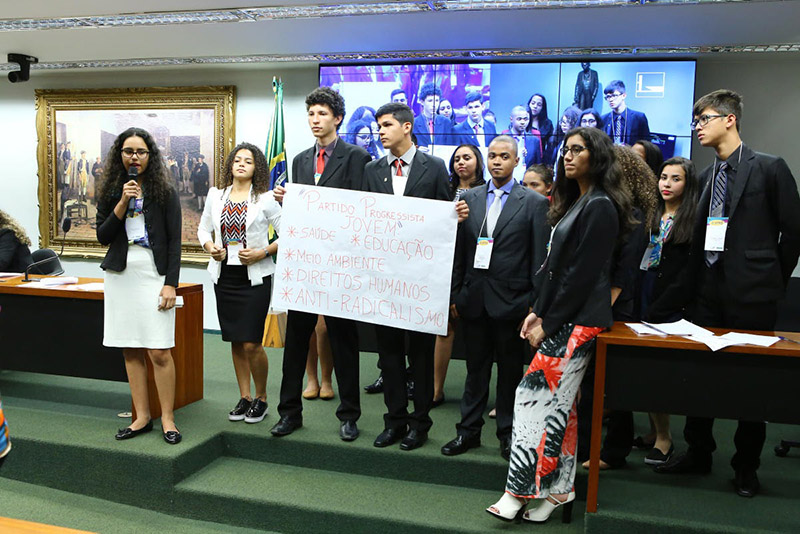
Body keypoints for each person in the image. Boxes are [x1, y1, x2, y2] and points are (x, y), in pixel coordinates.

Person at [655, 89, 800, 499]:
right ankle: (698, 452)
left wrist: (771, 278)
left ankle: (745, 466)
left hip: (753, 295)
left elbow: (793, 231)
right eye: (695, 121)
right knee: (700, 377)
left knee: (751, 384)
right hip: (706, 293)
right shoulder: (705, 177)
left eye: (704, 119)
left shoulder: (769, 168)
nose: (698, 127)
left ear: (729, 119)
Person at [486, 127, 633, 523]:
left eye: (578, 150)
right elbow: (556, 267)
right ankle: (560, 492)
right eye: (566, 149)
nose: (568, 156)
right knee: (561, 410)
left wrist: (547, 323)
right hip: (565, 316)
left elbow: (581, 276)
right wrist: (538, 310)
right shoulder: (579, 200)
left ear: (596, 156)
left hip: (579, 321)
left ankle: (517, 493)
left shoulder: (600, 205)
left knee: (530, 398)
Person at [365, 102, 468, 451]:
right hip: (384, 279)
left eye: (387, 125)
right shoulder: (372, 169)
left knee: (421, 355)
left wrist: (455, 216)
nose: (381, 131)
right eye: (379, 126)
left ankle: (419, 423)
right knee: (389, 355)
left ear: (407, 127)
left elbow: (444, 223)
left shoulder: (434, 167)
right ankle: (394, 421)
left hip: (422, 280)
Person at [270, 87, 371, 442]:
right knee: (297, 341)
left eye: (322, 114)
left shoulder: (357, 157)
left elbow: (364, 208)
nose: (315, 120)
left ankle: (349, 415)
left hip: (341, 265)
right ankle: (289, 413)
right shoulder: (300, 160)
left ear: (337, 118)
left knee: (344, 341)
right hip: (306, 265)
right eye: (311, 114)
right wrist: (286, 200)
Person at [442, 135, 549, 461]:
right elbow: (459, 251)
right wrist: (456, 293)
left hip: (513, 302)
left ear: (516, 161)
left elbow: (539, 259)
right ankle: (468, 432)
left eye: (504, 156)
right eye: (492, 156)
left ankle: (507, 434)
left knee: (509, 374)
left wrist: (534, 305)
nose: (497, 161)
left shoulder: (533, 202)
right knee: (474, 371)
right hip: (473, 298)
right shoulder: (469, 198)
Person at [96, 127, 183, 445]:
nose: (134, 157)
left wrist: (171, 284)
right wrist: (122, 201)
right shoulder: (111, 190)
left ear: (150, 155)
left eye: (141, 152)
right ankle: (142, 417)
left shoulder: (165, 191)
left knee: (159, 350)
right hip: (121, 274)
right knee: (130, 347)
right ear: (120, 154)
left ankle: (168, 418)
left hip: (154, 273)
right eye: (128, 151)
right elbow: (103, 236)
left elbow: (175, 242)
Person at [577, 144, 660, 470]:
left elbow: (623, 276)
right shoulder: (601, 206)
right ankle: (588, 450)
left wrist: (598, 313)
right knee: (591, 384)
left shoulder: (633, 216)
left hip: (615, 311)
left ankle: (611, 452)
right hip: (595, 306)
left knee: (611, 385)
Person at [197, 142, 282, 424]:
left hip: (254, 278)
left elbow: (289, 234)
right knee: (235, 339)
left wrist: (263, 252)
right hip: (225, 277)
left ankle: (261, 398)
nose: (242, 164)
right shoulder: (215, 195)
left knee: (251, 343)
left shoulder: (265, 199)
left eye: (248, 161)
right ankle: (244, 397)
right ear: (230, 165)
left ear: (257, 168)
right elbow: (203, 229)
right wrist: (210, 246)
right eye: (237, 160)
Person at [432, 144, 487, 408]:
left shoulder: (488, 192)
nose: (461, 162)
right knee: (444, 328)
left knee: (478, 334)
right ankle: (435, 389)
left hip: (476, 267)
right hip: (444, 263)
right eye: (456, 159)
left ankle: (476, 393)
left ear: (478, 161)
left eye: (467, 157)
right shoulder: (445, 190)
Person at [601, 80, 651, 146]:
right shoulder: (603, 119)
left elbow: (647, 143)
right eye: (608, 97)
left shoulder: (639, 117)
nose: (610, 99)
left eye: (614, 96)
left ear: (623, 95)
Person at [502, 106, 543, 179]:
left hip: (527, 181)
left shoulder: (534, 141)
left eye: (526, 119)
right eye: (519, 119)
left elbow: (538, 167)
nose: (523, 122)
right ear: (511, 119)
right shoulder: (502, 139)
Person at [412, 82, 454, 148]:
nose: (434, 104)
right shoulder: (414, 123)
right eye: (430, 101)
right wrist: (417, 150)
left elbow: (450, 145)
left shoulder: (446, 122)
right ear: (422, 102)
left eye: (436, 100)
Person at [526, 93, 555, 165]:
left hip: (540, 160)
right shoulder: (522, 121)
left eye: (539, 105)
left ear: (542, 107)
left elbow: (550, 145)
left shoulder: (547, 124)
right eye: (533, 103)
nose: (535, 106)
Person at [551, 106, 582, 171]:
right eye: (563, 121)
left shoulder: (578, 142)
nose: (563, 125)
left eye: (568, 122)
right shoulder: (559, 140)